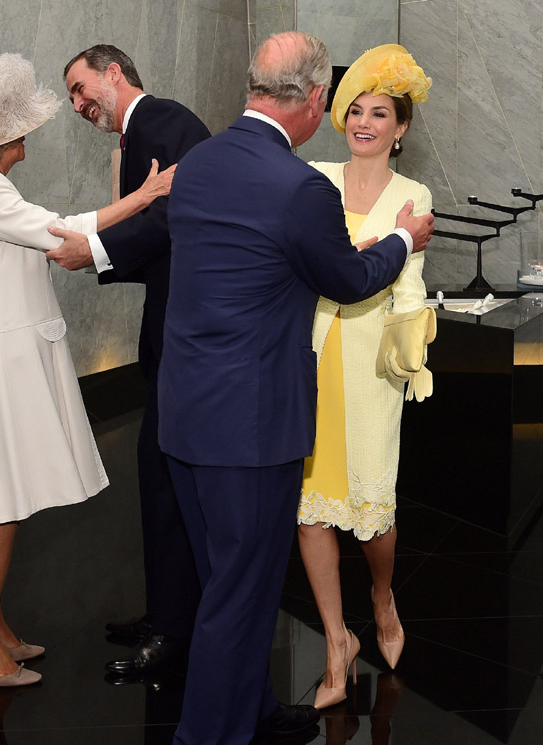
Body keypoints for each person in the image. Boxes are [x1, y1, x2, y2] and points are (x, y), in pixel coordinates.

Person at [157, 31, 434, 745]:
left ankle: (250, 711)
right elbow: (346, 280)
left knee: (233, 582)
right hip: (249, 426)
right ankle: (206, 736)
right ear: (315, 101)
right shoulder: (299, 185)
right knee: (236, 594)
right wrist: (404, 242)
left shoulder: (199, 164)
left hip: (185, 413)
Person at [0, 53, 174, 687]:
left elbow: (44, 239)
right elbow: (63, 233)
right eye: (17, 125)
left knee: (0, 501)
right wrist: (145, 195)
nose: (25, 135)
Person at [47, 44, 211, 676]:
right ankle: (166, 612)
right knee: (159, 477)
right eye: (72, 99)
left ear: (114, 73)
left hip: (185, 333)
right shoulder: (142, 130)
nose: (80, 104)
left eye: (82, 88)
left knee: (166, 478)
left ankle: (174, 629)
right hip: (170, 329)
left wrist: (95, 251)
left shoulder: (164, 121)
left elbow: (176, 216)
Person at [297, 44, 433, 710]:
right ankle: (334, 640)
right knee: (310, 508)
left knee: (373, 514)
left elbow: (406, 284)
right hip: (312, 355)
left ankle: (381, 595)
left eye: (379, 112)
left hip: (374, 367)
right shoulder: (314, 179)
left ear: (399, 127)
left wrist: (413, 350)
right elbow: (301, 260)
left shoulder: (414, 195)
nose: (363, 122)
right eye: (355, 110)